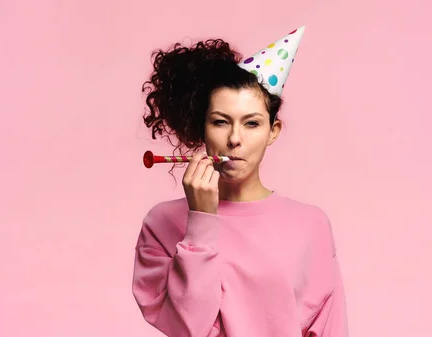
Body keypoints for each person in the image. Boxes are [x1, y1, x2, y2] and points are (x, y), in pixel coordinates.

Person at [132, 26, 348, 337]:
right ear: (202, 128)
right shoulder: (161, 223)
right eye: (220, 122)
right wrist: (201, 221)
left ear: (272, 132)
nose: (235, 139)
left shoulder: (311, 224)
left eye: (252, 123)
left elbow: (330, 328)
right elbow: (188, 327)